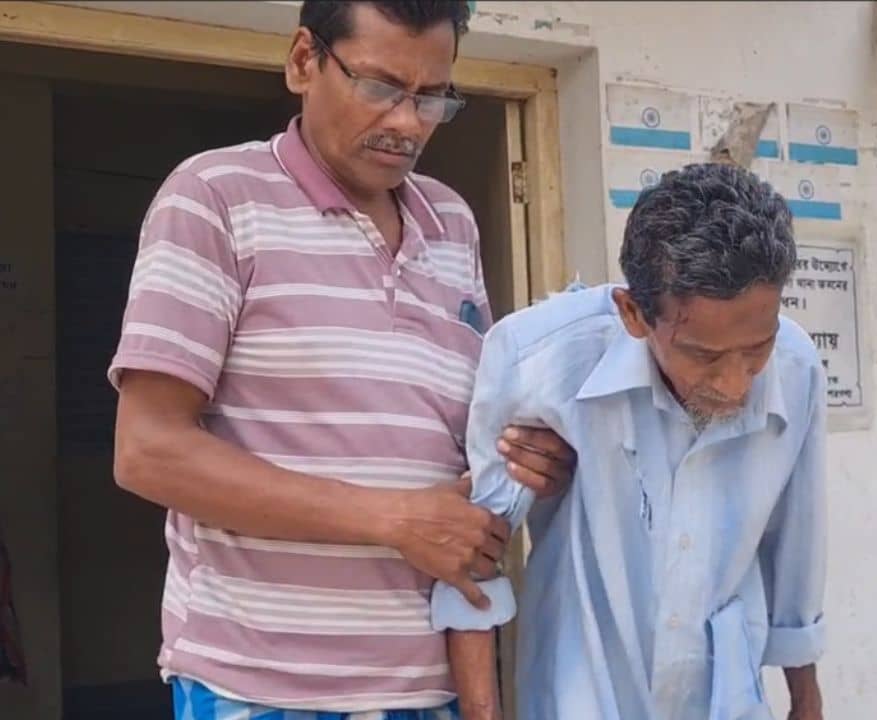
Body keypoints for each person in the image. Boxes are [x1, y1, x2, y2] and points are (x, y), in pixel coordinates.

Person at [108, 2, 575, 718]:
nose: (408, 123)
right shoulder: (214, 198)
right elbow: (148, 452)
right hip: (260, 689)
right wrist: (392, 519)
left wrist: (530, 461)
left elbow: (463, 446)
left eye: (432, 97)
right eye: (382, 87)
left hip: (428, 690)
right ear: (304, 61)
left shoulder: (451, 223)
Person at [434, 162, 828, 719]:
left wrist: (806, 697)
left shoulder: (796, 365)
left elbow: (796, 538)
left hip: (724, 699)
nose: (735, 385)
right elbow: (474, 556)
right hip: (583, 692)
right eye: (704, 356)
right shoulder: (540, 360)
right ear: (633, 314)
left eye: (756, 349)